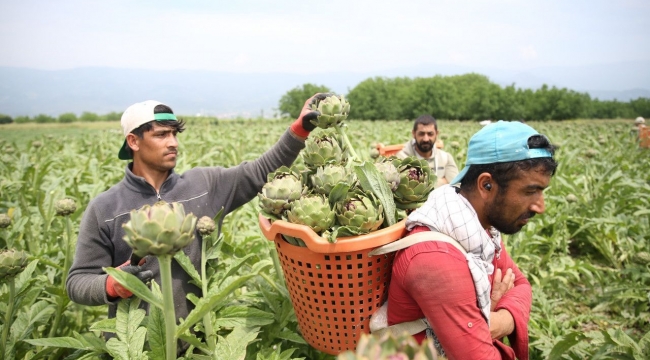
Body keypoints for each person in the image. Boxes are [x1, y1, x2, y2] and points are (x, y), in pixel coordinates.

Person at [66, 95, 326, 347]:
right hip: (136, 347)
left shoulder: (203, 185)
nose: (173, 143)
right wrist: (112, 284)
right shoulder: (106, 208)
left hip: (201, 342)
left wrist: (299, 129)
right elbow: (77, 282)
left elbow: (259, 171)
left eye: (174, 134)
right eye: (161, 135)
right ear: (133, 141)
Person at [387, 120, 558, 359]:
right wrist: (489, 309)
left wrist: (498, 320)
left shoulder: (479, 229)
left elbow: (521, 285)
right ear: (486, 185)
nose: (541, 206)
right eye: (530, 191)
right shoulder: (436, 260)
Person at [396, 114, 459, 187]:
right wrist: (443, 181)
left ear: (437, 134)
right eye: (421, 134)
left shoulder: (446, 158)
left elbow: (456, 186)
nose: (426, 139)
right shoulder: (401, 158)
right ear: (414, 134)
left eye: (430, 134)